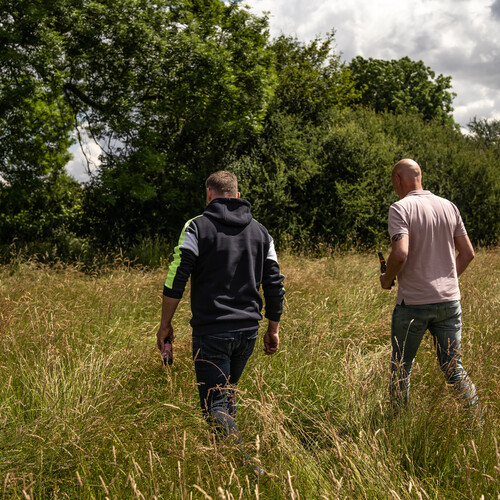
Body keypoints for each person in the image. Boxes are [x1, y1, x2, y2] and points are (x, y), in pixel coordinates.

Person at [157, 170, 285, 444]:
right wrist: (273, 327)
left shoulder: (196, 227)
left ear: (208, 195)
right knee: (227, 396)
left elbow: (177, 275)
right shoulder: (261, 232)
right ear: (237, 196)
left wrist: (165, 324)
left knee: (214, 405)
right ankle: (227, 466)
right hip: (248, 332)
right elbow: (274, 283)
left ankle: (246, 462)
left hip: (212, 332)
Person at [380, 158, 481, 418]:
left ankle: (398, 425)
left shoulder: (400, 208)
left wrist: (387, 279)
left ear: (398, 180)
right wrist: (446, 279)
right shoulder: (449, 206)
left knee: (402, 367)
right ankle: (477, 421)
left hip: (413, 303)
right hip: (449, 302)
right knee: (453, 367)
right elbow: (468, 253)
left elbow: (400, 254)